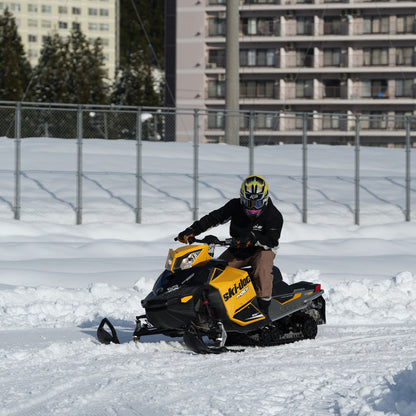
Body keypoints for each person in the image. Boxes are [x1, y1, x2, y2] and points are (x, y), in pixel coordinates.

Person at [176, 175, 283, 315]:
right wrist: (192, 230)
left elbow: (272, 240)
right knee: (215, 272)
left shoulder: (274, 215)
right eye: (248, 203)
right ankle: (217, 308)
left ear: (265, 200)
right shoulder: (235, 206)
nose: (252, 208)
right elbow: (214, 218)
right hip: (238, 249)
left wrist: (253, 237)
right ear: (241, 198)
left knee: (261, 270)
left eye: (257, 204)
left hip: (262, 250)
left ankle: (264, 308)